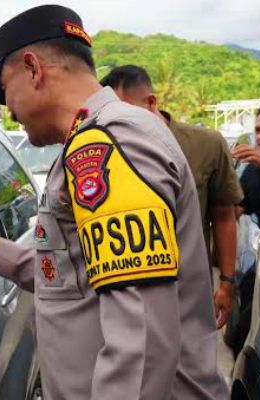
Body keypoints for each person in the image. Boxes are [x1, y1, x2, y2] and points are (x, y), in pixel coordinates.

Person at [0, 5, 227, 399]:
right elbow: (71, 277)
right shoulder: (92, 139)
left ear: (33, 68)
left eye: (5, 90)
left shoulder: (108, 143)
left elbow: (140, 346)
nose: (10, 110)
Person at [100, 65, 243, 329]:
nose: (116, 122)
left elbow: (223, 217)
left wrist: (227, 282)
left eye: (125, 112)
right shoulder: (103, 149)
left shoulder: (206, 143)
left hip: (188, 291)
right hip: (124, 295)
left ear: (151, 102)